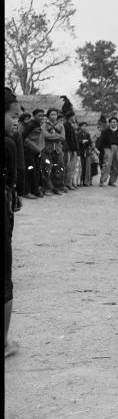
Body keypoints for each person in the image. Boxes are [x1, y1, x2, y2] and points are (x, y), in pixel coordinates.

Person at [4, 87, 21, 357]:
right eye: (14, 116)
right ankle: (4, 343)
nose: (16, 121)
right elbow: (12, 179)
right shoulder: (7, 143)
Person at [21, 108, 45, 198]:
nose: (41, 117)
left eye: (42, 115)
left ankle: (35, 191)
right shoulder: (30, 125)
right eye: (39, 115)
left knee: (35, 171)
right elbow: (24, 137)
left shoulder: (38, 124)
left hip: (35, 152)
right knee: (29, 171)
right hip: (28, 151)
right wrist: (35, 148)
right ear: (34, 116)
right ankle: (26, 192)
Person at [42, 108, 66, 195]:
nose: (54, 116)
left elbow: (63, 137)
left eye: (55, 114)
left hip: (58, 150)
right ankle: (47, 188)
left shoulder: (60, 125)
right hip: (47, 150)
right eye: (52, 114)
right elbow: (45, 135)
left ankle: (58, 187)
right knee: (46, 169)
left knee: (58, 169)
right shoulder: (44, 125)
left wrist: (53, 136)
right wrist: (56, 136)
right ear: (48, 115)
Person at [98, 116, 118, 187]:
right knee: (107, 164)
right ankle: (102, 181)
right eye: (112, 122)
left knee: (116, 165)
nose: (113, 123)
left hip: (117, 148)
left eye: (115, 122)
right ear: (109, 123)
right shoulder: (105, 131)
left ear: (117, 123)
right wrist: (103, 149)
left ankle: (112, 181)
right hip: (108, 148)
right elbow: (102, 141)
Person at [63, 110, 80, 190]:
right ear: (70, 117)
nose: (74, 118)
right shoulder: (65, 126)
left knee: (72, 167)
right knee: (67, 166)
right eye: (73, 116)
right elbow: (66, 139)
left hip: (73, 149)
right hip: (68, 149)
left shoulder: (72, 126)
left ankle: (69, 183)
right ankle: (65, 184)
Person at [77, 121, 92, 186]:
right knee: (81, 166)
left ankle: (86, 181)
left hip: (87, 151)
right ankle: (80, 181)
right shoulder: (77, 134)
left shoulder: (87, 134)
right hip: (80, 151)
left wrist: (85, 142)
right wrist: (82, 141)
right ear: (80, 127)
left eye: (85, 126)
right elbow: (77, 141)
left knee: (87, 167)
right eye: (83, 126)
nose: (84, 127)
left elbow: (90, 141)